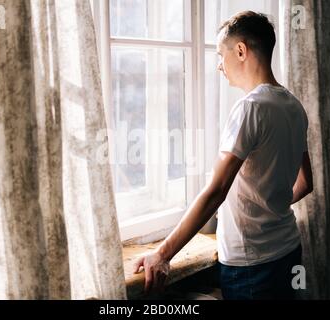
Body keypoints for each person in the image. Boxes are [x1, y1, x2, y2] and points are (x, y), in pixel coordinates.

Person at [133, 10, 313, 300]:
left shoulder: (250, 108)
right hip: (289, 252)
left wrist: (162, 254)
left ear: (240, 50)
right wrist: (271, 204)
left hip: (252, 265)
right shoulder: (294, 106)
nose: (219, 65)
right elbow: (306, 183)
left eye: (221, 54)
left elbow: (216, 190)